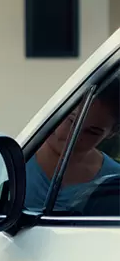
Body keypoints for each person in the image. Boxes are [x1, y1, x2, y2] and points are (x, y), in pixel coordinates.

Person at [25, 77, 120, 212]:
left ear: (112, 132)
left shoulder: (114, 181)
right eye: (71, 121)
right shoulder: (15, 159)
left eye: (92, 132)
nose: (75, 137)